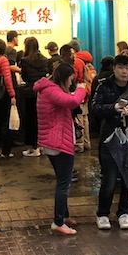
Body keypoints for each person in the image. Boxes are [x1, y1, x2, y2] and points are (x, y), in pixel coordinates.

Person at [91, 54, 128, 230]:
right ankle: (103, 214)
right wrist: (113, 108)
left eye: (127, 68)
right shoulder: (104, 86)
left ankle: (124, 213)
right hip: (109, 138)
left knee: (127, 177)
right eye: (120, 68)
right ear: (114, 69)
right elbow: (95, 108)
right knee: (109, 178)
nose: (124, 71)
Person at [34, 62, 87, 235]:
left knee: (62, 180)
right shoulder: (52, 91)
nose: (72, 83)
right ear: (64, 78)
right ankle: (58, 221)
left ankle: (64, 216)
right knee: (64, 183)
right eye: (71, 80)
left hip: (53, 141)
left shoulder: (47, 89)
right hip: (58, 142)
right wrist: (81, 89)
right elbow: (72, 101)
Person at [19, 37, 49, 157]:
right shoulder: (44, 59)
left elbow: (25, 77)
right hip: (43, 93)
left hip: (31, 93)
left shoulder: (24, 61)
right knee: (42, 120)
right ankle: (42, 146)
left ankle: (34, 147)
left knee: (31, 121)